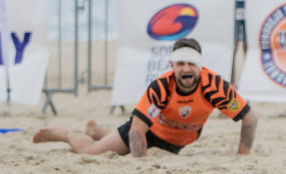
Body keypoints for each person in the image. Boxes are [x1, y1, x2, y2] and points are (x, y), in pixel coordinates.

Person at [33, 38, 257, 157]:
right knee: (91, 152)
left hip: (174, 142)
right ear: (172, 66)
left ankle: (96, 129)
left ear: (200, 66)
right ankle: (67, 133)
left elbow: (250, 119)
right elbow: (138, 129)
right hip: (148, 133)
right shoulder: (161, 87)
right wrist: (141, 164)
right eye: (180, 64)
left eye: (191, 64)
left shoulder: (216, 86)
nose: (186, 69)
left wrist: (242, 157)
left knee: (138, 149)